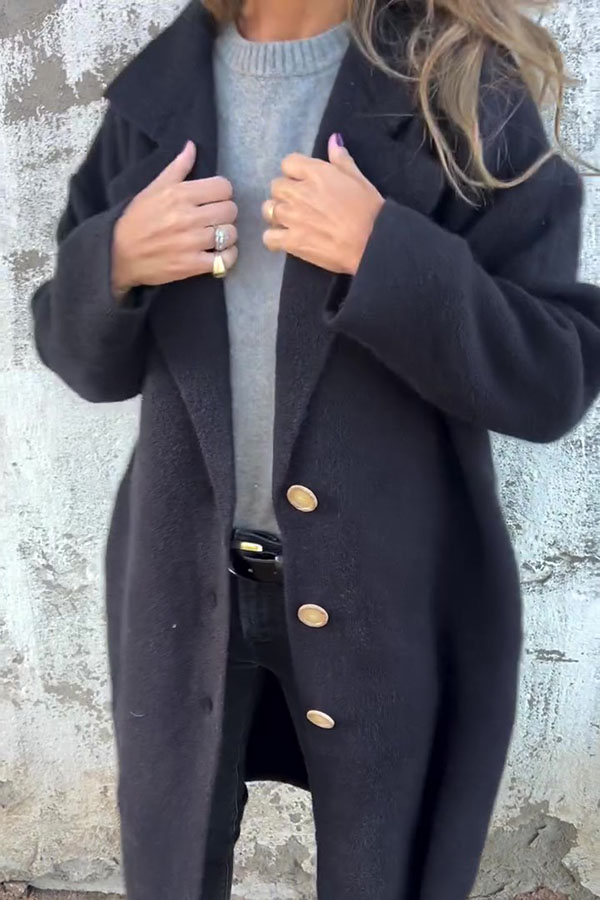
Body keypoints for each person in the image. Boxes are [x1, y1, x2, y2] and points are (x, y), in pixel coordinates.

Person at [29, 0, 600, 898]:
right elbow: (80, 359)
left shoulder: (463, 87)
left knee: (387, 868)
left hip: (390, 593)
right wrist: (115, 265)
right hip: (187, 587)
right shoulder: (159, 94)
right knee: (172, 863)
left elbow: (551, 377)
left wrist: (387, 255)